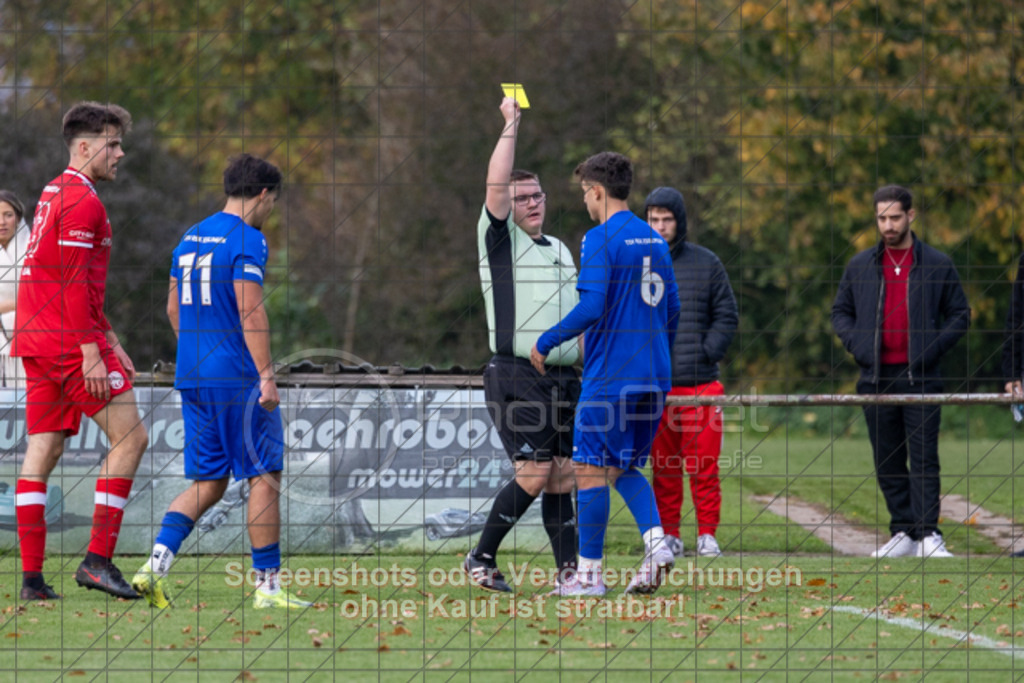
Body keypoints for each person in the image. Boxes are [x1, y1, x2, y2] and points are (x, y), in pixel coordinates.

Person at [131, 154, 311, 610]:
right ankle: (268, 589)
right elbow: (251, 308)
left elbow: (173, 310)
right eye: (274, 201)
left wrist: (198, 357)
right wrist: (266, 376)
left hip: (192, 375)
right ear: (266, 194)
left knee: (209, 482)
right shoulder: (249, 240)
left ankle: (153, 567)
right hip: (237, 379)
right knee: (265, 477)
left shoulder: (190, 235)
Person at [12, 102, 149, 600]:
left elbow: (72, 280)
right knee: (131, 438)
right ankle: (97, 560)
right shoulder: (82, 201)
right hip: (68, 340)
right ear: (86, 147)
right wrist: (93, 351)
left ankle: (31, 580)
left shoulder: (54, 191)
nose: (120, 153)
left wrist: (110, 338)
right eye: (112, 144)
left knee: (43, 449)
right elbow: (72, 282)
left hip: (39, 337)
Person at [532, 152, 681, 596]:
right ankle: (657, 545)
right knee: (622, 466)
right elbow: (672, 309)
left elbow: (592, 306)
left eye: (584, 193)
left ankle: (589, 576)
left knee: (588, 468)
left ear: (597, 190)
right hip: (653, 376)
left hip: (610, 377)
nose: (584, 201)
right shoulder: (654, 239)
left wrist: (548, 339)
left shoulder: (599, 237)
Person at [463, 97, 581, 593]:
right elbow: (496, 182)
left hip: (564, 378)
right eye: (522, 197)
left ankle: (571, 574)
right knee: (534, 472)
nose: (533, 202)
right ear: (508, 206)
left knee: (562, 476)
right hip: (515, 373)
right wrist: (512, 125)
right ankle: (480, 557)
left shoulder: (559, 249)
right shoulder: (500, 241)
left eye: (538, 195)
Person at [831, 185, 969, 559]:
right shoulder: (860, 265)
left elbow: (960, 315)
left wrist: (931, 348)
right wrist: (857, 344)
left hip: (922, 378)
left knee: (924, 458)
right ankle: (903, 532)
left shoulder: (938, 264)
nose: (888, 225)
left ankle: (928, 534)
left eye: (894, 217)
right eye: (881, 218)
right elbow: (840, 312)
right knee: (887, 458)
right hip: (875, 378)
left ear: (911, 215)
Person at [645, 187, 737, 559]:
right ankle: (669, 535)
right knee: (663, 469)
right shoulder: (637, 264)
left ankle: (707, 535)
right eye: (654, 220)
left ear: (679, 221)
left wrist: (705, 352)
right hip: (655, 388)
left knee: (704, 467)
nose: (661, 226)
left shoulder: (707, 262)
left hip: (702, 386)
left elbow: (727, 316)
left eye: (667, 220)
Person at [0, 189, 30, 388]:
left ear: (18, 218)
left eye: (8, 215)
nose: (2, 222)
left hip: (33, 339)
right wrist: (23, 303)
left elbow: (49, 297)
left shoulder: (35, 250)